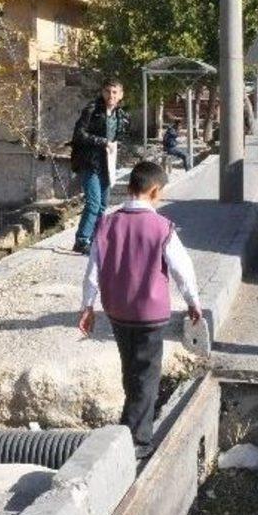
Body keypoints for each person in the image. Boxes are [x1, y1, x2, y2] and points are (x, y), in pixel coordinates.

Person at [78, 161, 202, 459]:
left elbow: (93, 269)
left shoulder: (106, 223)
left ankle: (129, 423)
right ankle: (139, 439)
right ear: (155, 191)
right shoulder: (162, 227)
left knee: (130, 367)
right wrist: (193, 302)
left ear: (131, 187)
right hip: (150, 314)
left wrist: (87, 306)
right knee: (147, 373)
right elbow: (182, 270)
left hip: (118, 311)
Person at [70, 78, 129, 255]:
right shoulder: (92, 110)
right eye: (108, 91)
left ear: (120, 95)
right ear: (103, 92)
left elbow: (119, 139)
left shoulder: (121, 115)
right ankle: (81, 240)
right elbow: (78, 134)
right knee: (94, 203)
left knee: (103, 204)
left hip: (107, 164)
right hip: (90, 162)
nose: (111, 95)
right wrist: (102, 141)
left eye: (115, 92)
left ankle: (96, 239)